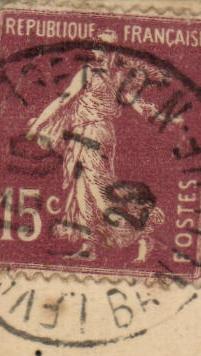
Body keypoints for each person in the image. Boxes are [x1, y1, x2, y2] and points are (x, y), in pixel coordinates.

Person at [24, 31, 168, 261]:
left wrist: (37, 126)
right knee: (83, 192)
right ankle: (89, 246)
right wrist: (159, 115)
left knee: (99, 194)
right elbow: (138, 104)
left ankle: (142, 232)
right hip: (96, 134)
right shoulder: (117, 77)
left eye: (98, 46)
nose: (95, 49)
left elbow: (63, 100)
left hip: (90, 134)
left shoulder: (89, 73)